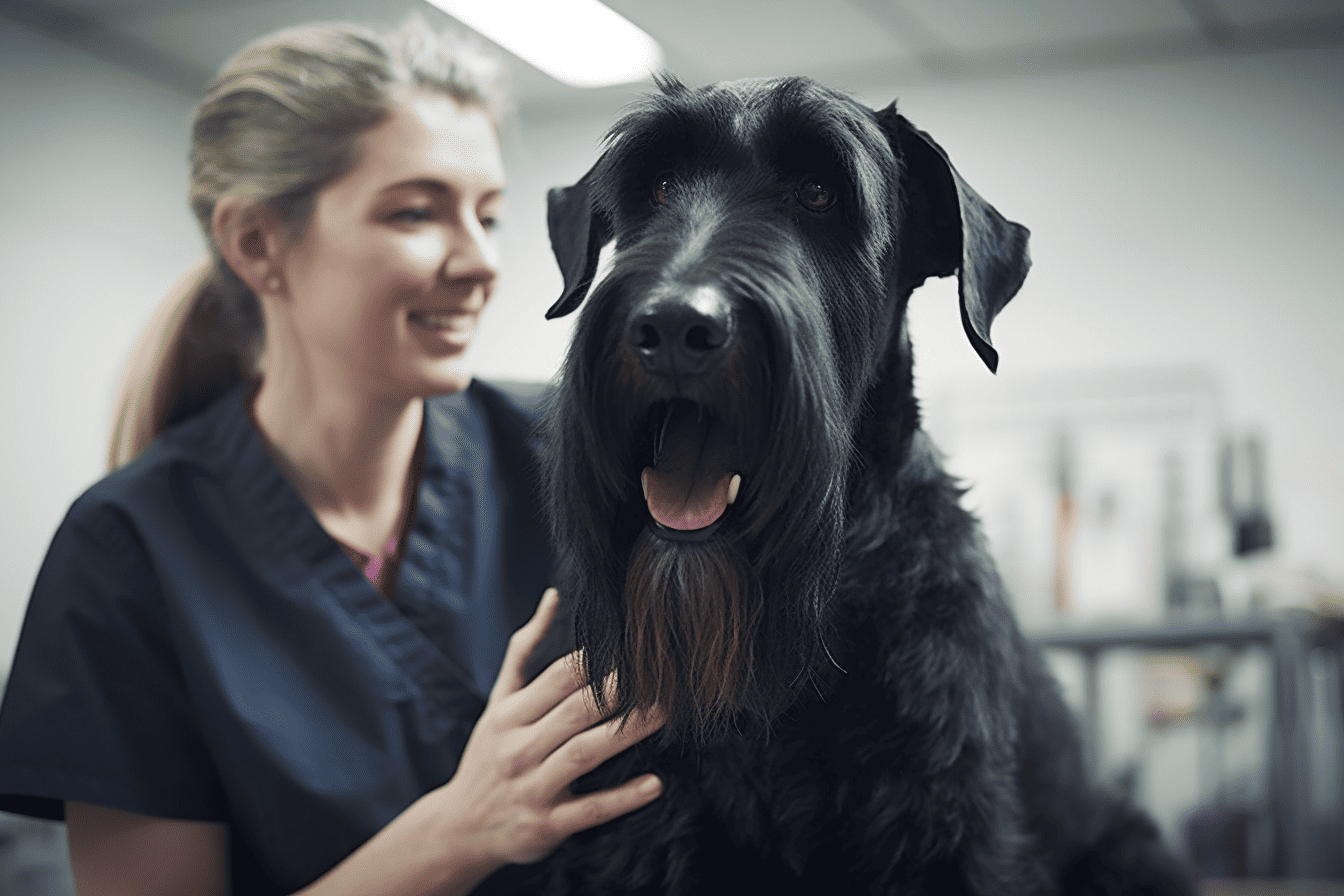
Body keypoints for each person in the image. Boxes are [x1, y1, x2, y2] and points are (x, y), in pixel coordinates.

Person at [0, 19, 664, 896]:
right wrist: (459, 832)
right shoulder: (127, 550)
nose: (481, 262)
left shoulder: (575, 451)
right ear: (257, 244)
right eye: (417, 212)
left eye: (488, 215)